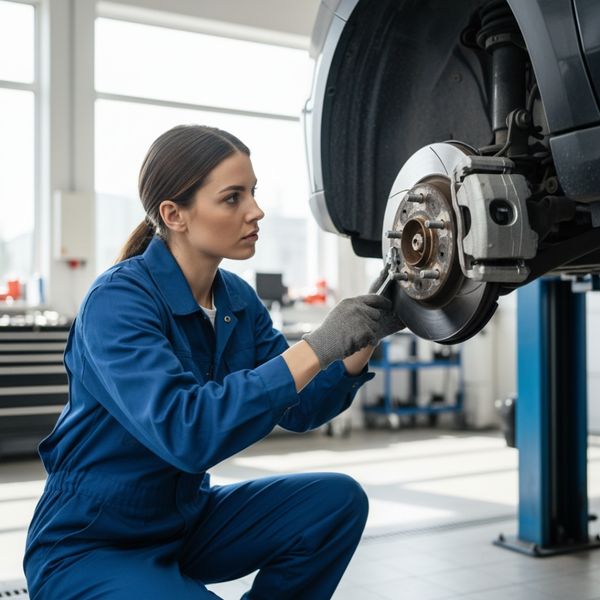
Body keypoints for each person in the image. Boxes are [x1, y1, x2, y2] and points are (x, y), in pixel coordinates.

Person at [23, 125, 405, 600]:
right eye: (232, 198)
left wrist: (362, 337)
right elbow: (186, 433)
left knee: (336, 502)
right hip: (93, 542)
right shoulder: (118, 300)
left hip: (184, 521)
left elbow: (302, 408)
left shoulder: (235, 299)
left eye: (254, 192)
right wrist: (318, 344)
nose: (256, 210)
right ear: (174, 214)